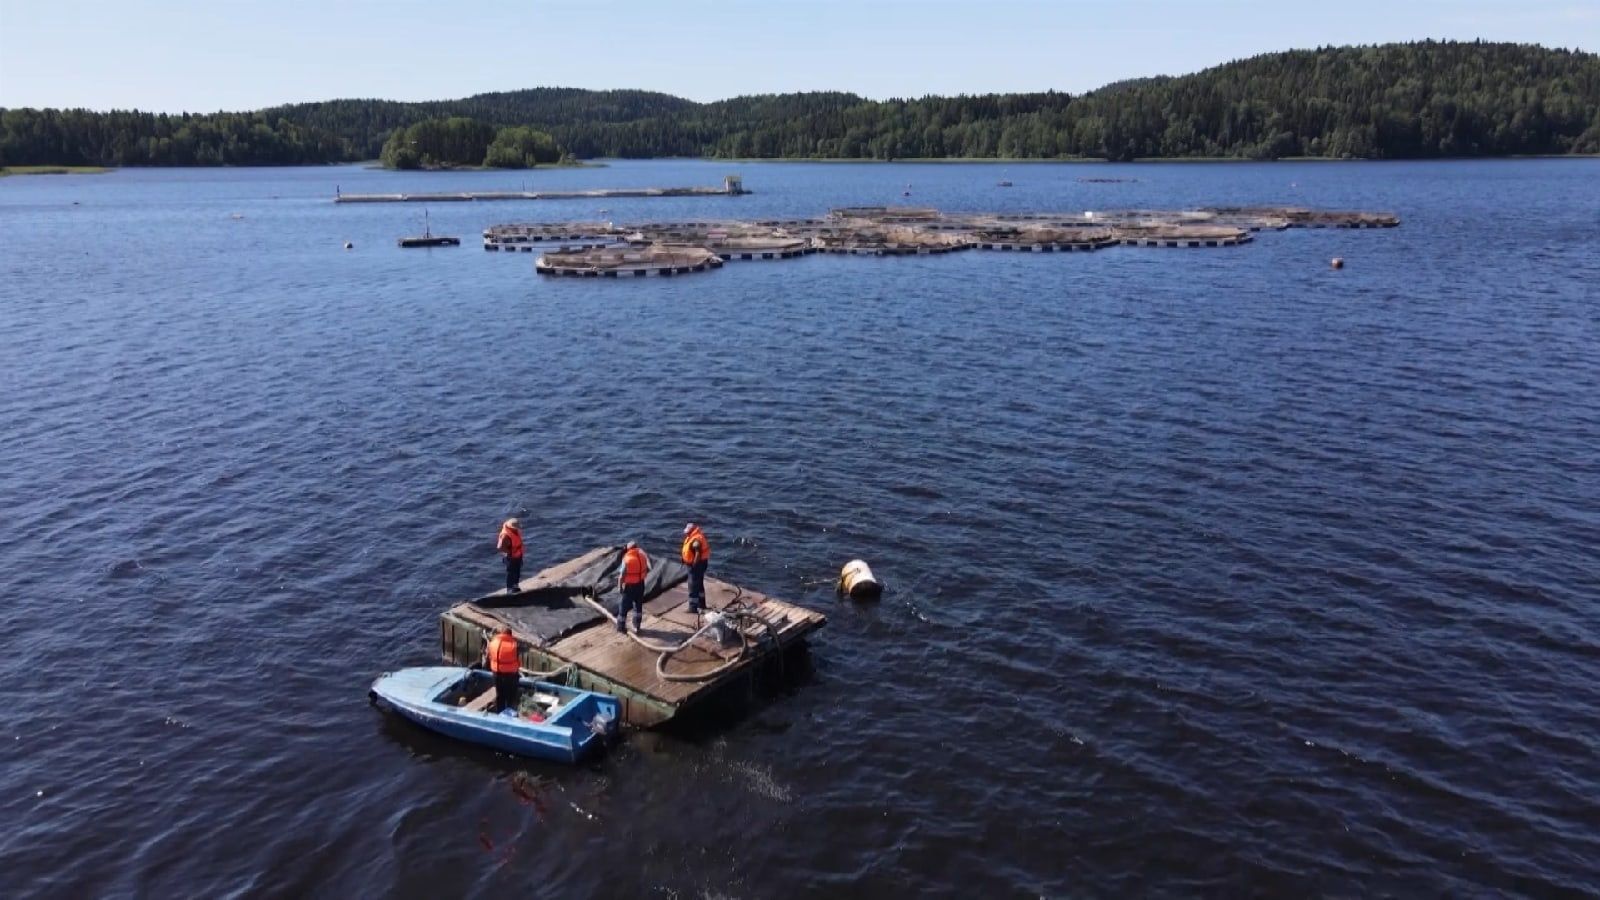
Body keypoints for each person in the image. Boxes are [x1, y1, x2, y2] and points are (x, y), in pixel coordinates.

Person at [616, 540, 650, 634]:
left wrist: (620, 587)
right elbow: (646, 569)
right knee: (638, 606)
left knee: (623, 606)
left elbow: (621, 576)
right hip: (641, 585)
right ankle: (637, 626)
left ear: (628, 549)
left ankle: (621, 627)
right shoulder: (642, 556)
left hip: (630, 587)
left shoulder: (627, 559)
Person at [485, 624, 521, 713]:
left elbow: (488, 655)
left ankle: (500, 712)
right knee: (511, 696)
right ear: (510, 634)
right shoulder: (514, 645)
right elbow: (519, 654)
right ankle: (510, 713)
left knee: (500, 695)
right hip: (510, 674)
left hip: (497, 673)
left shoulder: (493, 643)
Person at [680, 522, 711, 613]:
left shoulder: (696, 541)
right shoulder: (696, 536)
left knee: (693, 585)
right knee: (699, 584)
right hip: (702, 563)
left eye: (688, 532)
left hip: (697, 565)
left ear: (692, 531)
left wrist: (694, 564)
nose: (686, 533)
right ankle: (702, 604)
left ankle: (692, 607)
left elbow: (698, 553)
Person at [497, 518, 524, 594]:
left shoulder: (515, 531)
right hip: (511, 557)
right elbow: (500, 547)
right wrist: (510, 552)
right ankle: (509, 589)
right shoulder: (505, 535)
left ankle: (515, 586)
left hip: (518, 555)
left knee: (517, 571)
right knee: (511, 573)